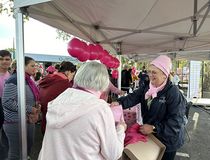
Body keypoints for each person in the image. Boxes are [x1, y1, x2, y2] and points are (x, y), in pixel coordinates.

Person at [38, 61, 126, 160]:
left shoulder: (61, 98)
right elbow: (113, 154)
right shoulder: (100, 108)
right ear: (104, 81)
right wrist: (121, 129)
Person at [111, 55, 186, 160]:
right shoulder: (147, 86)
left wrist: (154, 128)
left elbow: (176, 121)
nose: (150, 75)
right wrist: (119, 102)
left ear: (165, 75)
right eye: (149, 71)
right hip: (153, 136)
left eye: (154, 72)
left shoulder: (173, 93)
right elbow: (133, 97)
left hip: (168, 140)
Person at [2, 56, 41, 160]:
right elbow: (7, 102)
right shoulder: (14, 79)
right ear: (22, 66)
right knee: (16, 153)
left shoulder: (28, 79)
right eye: (32, 65)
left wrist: (36, 107)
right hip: (15, 122)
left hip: (27, 120)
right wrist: (30, 109)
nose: (35, 68)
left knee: (26, 150)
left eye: (35, 66)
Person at [38, 61, 77, 134]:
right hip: (54, 121)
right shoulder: (64, 83)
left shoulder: (49, 77)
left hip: (44, 115)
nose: (72, 78)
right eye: (72, 75)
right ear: (68, 72)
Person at [0, 50, 12, 160]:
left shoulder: (12, 76)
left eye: (7, 59)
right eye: (1, 59)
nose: (4, 61)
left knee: (6, 135)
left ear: (11, 61)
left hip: (8, 108)